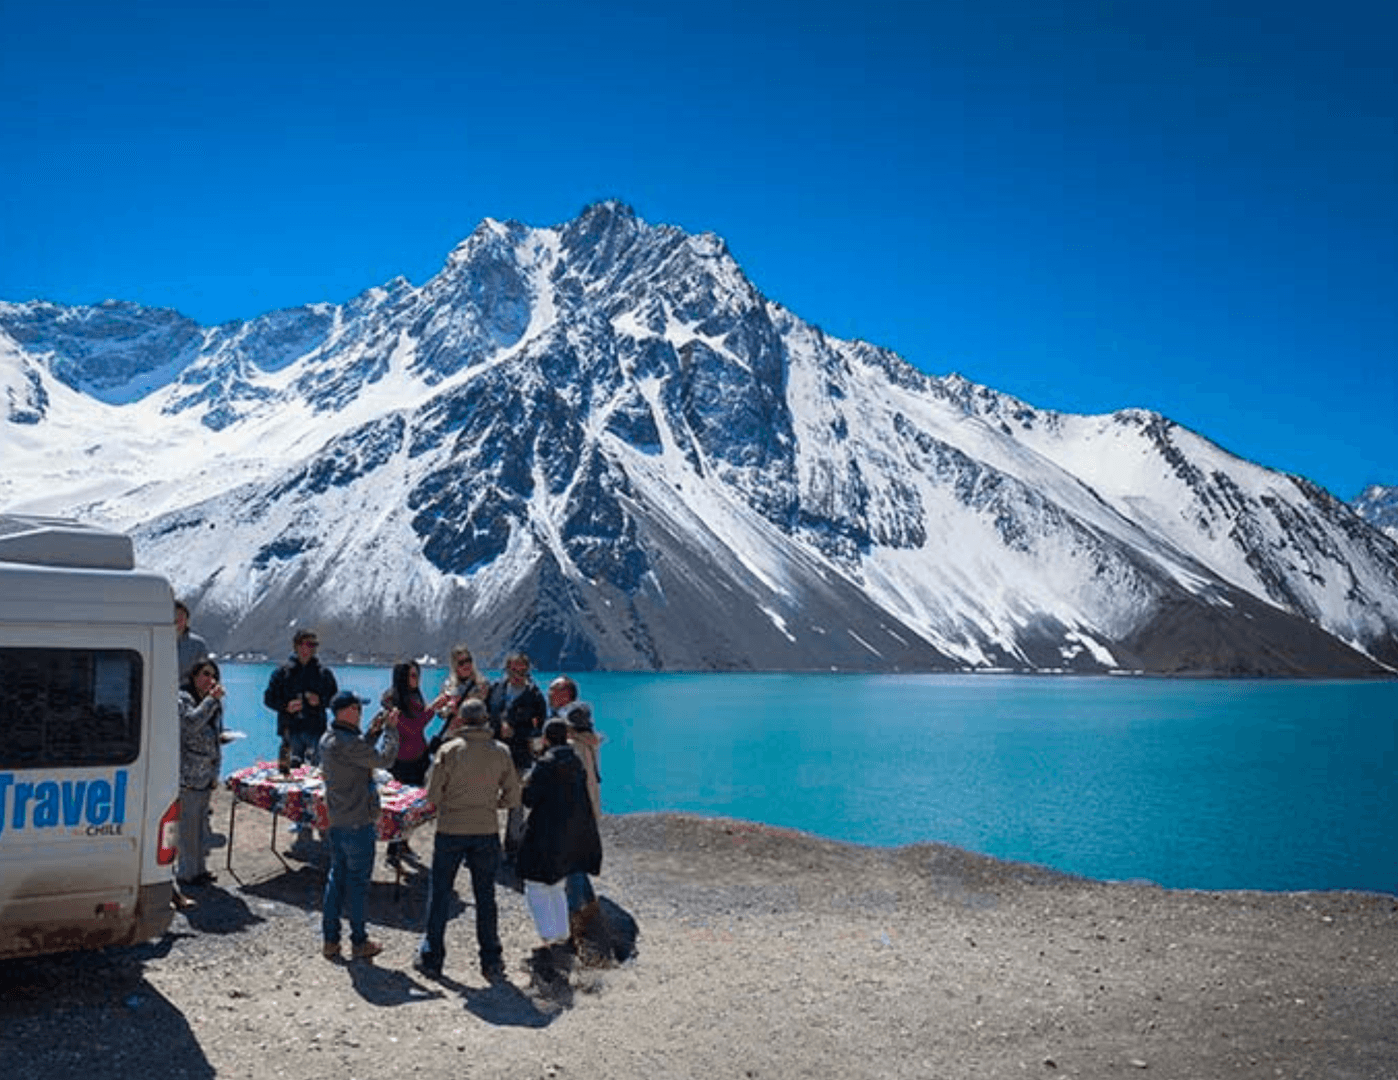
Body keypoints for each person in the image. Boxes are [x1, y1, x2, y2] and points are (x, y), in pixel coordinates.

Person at [415, 699, 521, 981]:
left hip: (451, 830)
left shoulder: (448, 751)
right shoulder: (501, 752)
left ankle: (432, 958)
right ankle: (491, 960)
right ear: (486, 719)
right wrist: (490, 804)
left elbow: (432, 796)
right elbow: (513, 795)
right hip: (486, 830)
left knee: (440, 894)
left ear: (460, 721)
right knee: (485, 896)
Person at [516, 717, 602, 981]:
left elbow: (529, 799)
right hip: (568, 836)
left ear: (546, 739)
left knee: (536, 887)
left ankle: (549, 942)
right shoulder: (574, 762)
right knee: (556, 885)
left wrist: (527, 778)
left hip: (544, 834)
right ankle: (562, 935)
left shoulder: (545, 765)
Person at [319, 690, 399, 961]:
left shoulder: (329, 738)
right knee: (357, 885)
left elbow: (358, 752)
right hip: (358, 823)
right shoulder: (348, 743)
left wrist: (372, 733)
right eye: (357, 708)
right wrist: (390, 731)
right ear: (347, 712)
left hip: (338, 821)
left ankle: (331, 940)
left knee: (336, 880)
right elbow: (383, 759)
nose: (361, 713)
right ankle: (359, 941)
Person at [486, 651, 547, 867]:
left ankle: (512, 849)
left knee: (516, 803)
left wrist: (518, 733)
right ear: (507, 669)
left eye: (523, 669)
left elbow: (540, 729)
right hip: (493, 754)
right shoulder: (496, 689)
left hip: (520, 755)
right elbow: (486, 717)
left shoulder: (535, 695)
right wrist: (497, 727)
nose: (518, 674)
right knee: (486, 799)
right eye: (514, 669)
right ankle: (485, 845)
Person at [379, 660, 439, 863]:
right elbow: (412, 728)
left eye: (418, 675)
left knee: (414, 806)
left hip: (419, 757)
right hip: (401, 760)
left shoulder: (414, 696)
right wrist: (434, 708)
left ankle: (403, 845)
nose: (417, 679)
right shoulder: (391, 700)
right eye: (412, 675)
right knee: (398, 807)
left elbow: (418, 726)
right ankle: (392, 850)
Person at [176, 658, 225, 893]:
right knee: (187, 827)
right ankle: (186, 873)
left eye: (213, 675)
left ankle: (200, 870)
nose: (210, 680)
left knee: (201, 826)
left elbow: (215, 735)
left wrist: (216, 773)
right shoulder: (182, 699)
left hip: (206, 774)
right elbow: (190, 724)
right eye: (205, 674)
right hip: (188, 775)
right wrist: (211, 700)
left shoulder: (213, 704)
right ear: (194, 676)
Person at [559, 699, 604, 934]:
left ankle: (575, 918)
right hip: (590, 808)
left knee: (572, 862)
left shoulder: (572, 748)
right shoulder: (591, 743)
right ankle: (590, 904)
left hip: (576, 811)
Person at [263, 628, 338, 768]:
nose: (308, 648)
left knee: (316, 774)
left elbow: (335, 700)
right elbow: (268, 699)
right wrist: (286, 706)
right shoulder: (282, 673)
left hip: (316, 731)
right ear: (296, 646)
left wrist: (320, 701)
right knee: (289, 774)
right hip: (289, 731)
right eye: (305, 644)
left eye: (312, 645)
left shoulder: (324, 674)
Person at [433, 644, 491, 733]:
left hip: (477, 734)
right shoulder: (449, 686)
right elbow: (441, 712)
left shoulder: (483, 684)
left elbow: (490, 711)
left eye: (468, 660)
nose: (466, 665)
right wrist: (449, 708)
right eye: (461, 663)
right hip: (455, 733)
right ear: (455, 667)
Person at [174, 600, 210, 683]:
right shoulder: (158, 643)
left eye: (181, 616)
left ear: (187, 620)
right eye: (174, 615)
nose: (178, 620)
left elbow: (205, 675)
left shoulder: (198, 645)